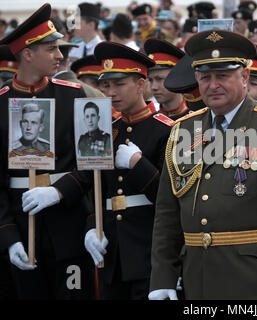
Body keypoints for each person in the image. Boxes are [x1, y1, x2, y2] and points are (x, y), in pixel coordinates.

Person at [148, 30, 257, 300]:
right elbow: (167, 212)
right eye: (205, 77)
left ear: (245, 77)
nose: (213, 85)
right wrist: (162, 277)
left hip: (254, 278)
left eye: (222, 75)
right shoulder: (184, 129)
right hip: (197, 277)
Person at [48, 42, 173, 299]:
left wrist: (138, 164)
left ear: (141, 84)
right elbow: (91, 182)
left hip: (148, 249)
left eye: (119, 84)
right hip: (112, 251)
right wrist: (91, 226)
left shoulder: (166, 130)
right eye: (105, 85)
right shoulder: (104, 129)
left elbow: (168, 196)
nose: (110, 92)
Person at [0, 3, 93, 299]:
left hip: (69, 227)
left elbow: (94, 162)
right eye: (51, 49)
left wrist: (60, 190)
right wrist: (8, 236)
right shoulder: (1, 104)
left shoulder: (73, 96)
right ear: (28, 53)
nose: (60, 56)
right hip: (20, 228)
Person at [144, 38, 189, 120]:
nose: (154, 87)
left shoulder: (196, 119)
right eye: (150, 80)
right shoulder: (150, 121)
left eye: (159, 79)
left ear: (177, 77)